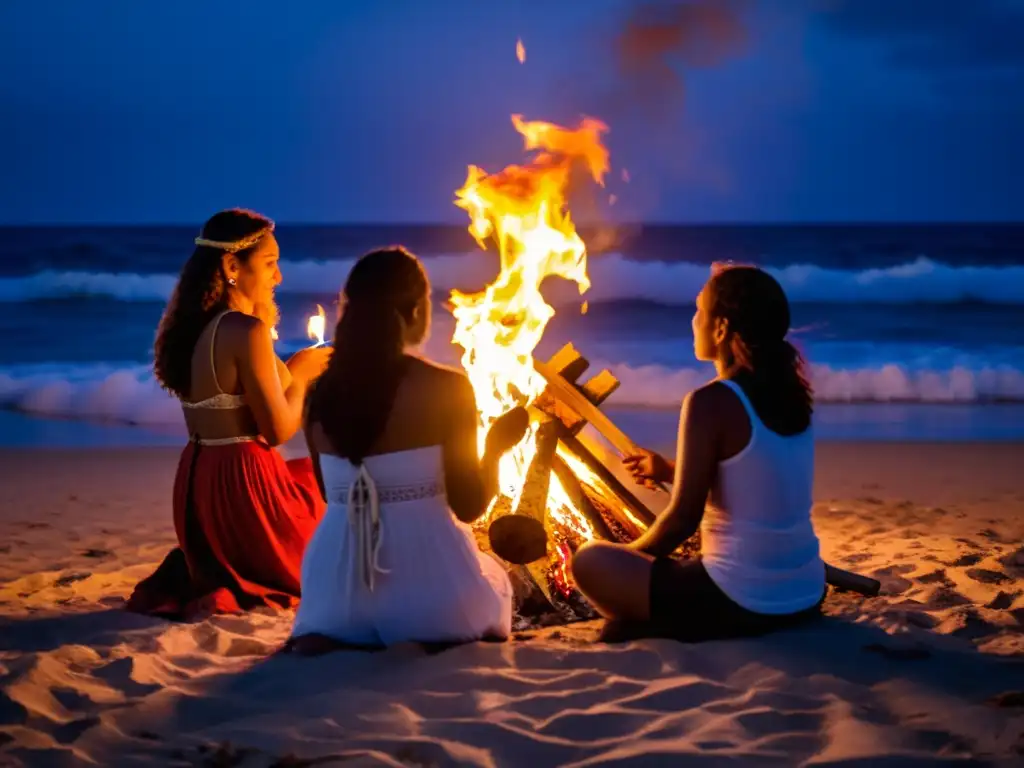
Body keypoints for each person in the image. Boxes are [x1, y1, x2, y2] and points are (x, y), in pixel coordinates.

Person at [288, 246, 528, 653]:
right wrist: (496, 448)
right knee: (498, 583)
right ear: (415, 310)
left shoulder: (318, 394)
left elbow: (331, 496)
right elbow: (469, 506)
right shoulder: (445, 387)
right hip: (429, 601)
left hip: (332, 601)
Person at [570, 264, 826, 642]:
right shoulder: (792, 395)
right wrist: (669, 470)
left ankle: (660, 622)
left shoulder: (710, 401)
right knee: (675, 570)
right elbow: (752, 474)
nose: (694, 321)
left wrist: (631, 557)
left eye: (700, 311)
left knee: (590, 559)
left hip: (740, 600)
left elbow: (682, 521)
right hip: (805, 593)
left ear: (721, 328)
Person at [126, 209, 332, 620]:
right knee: (330, 493)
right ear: (232, 266)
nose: (279, 278)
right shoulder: (246, 331)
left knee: (307, 474)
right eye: (270, 264)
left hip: (200, 481)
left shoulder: (204, 327)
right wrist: (305, 376)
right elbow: (275, 432)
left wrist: (290, 370)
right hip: (241, 485)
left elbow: (233, 403)